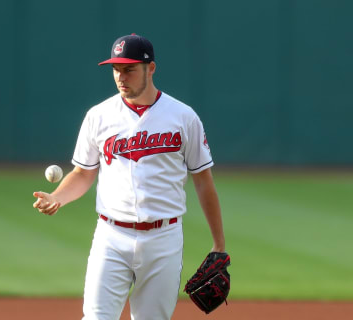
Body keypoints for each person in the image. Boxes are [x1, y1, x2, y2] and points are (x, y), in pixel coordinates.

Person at [33, 34, 226, 320]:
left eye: (129, 69)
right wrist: (57, 197)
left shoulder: (184, 117)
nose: (121, 77)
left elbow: (203, 181)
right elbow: (83, 173)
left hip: (164, 238)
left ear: (151, 69)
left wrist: (219, 244)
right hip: (111, 236)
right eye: (116, 70)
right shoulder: (98, 116)